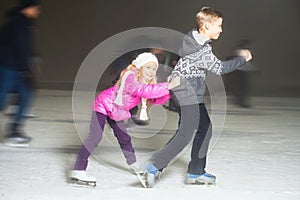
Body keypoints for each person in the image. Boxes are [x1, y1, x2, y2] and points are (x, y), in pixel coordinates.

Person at [140, 7, 252, 187]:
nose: (221, 30)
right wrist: (242, 60)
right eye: (219, 26)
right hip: (186, 92)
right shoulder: (198, 49)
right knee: (185, 134)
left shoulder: (196, 40)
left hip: (189, 92)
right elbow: (220, 68)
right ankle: (153, 166)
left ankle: (196, 171)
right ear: (207, 25)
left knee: (205, 128)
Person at [69, 52, 180, 185]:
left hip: (117, 111)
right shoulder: (130, 77)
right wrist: (168, 86)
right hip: (103, 105)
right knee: (95, 137)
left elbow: (155, 98)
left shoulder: (146, 83)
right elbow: (143, 91)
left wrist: (170, 91)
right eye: (148, 67)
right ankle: (78, 169)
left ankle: (133, 164)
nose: (151, 71)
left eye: (154, 69)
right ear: (140, 67)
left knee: (124, 138)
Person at [0, 0, 40, 144]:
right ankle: (13, 131)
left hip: (16, 69)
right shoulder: (18, 24)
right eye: (35, 8)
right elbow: (21, 48)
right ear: (27, 8)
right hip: (9, 68)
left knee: (26, 95)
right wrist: (27, 69)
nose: (37, 12)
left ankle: (14, 131)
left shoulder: (23, 24)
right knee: (2, 100)